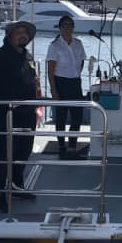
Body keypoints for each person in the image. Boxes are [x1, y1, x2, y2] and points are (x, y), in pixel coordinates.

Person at [0, 21, 38, 212]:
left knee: (23, 151)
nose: (23, 35)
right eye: (19, 32)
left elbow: (34, 81)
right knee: (3, 154)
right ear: (9, 35)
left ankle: (16, 186)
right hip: (5, 114)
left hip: (27, 114)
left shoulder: (28, 56)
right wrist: (3, 98)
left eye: (26, 33)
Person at [46, 15, 86, 159]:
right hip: (60, 82)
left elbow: (81, 62)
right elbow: (50, 70)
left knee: (77, 116)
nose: (67, 28)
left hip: (75, 82)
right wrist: (53, 90)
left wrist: (74, 74)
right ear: (60, 27)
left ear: (73, 27)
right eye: (64, 25)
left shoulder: (78, 43)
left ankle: (72, 146)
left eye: (70, 25)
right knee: (61, 117)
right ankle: (62, 145)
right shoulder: (54, 45)